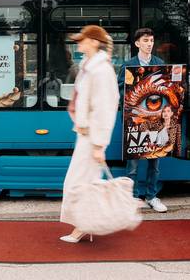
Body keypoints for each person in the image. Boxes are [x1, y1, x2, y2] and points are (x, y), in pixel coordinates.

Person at [60, 25, 119, 243]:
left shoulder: (101, 70)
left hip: (92, 137)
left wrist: (98, 145)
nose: (79, 43)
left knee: (81, 183)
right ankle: (85, 225)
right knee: (83, 182)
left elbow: (105, 108)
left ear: (94, 42)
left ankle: (84, 226)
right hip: (85, 134)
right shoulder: (88, 67)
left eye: (82, 40)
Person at [117, 28, 167, 213]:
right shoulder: (128, 65)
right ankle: (132, 197)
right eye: (146, 40)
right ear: (137, 43)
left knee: (155, 161)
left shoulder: (160, 64)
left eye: (152, 40)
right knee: (133, 162)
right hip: (135, 119)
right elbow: (121, 89)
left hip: (155, 119)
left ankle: (152, 196)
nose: (149, 43)